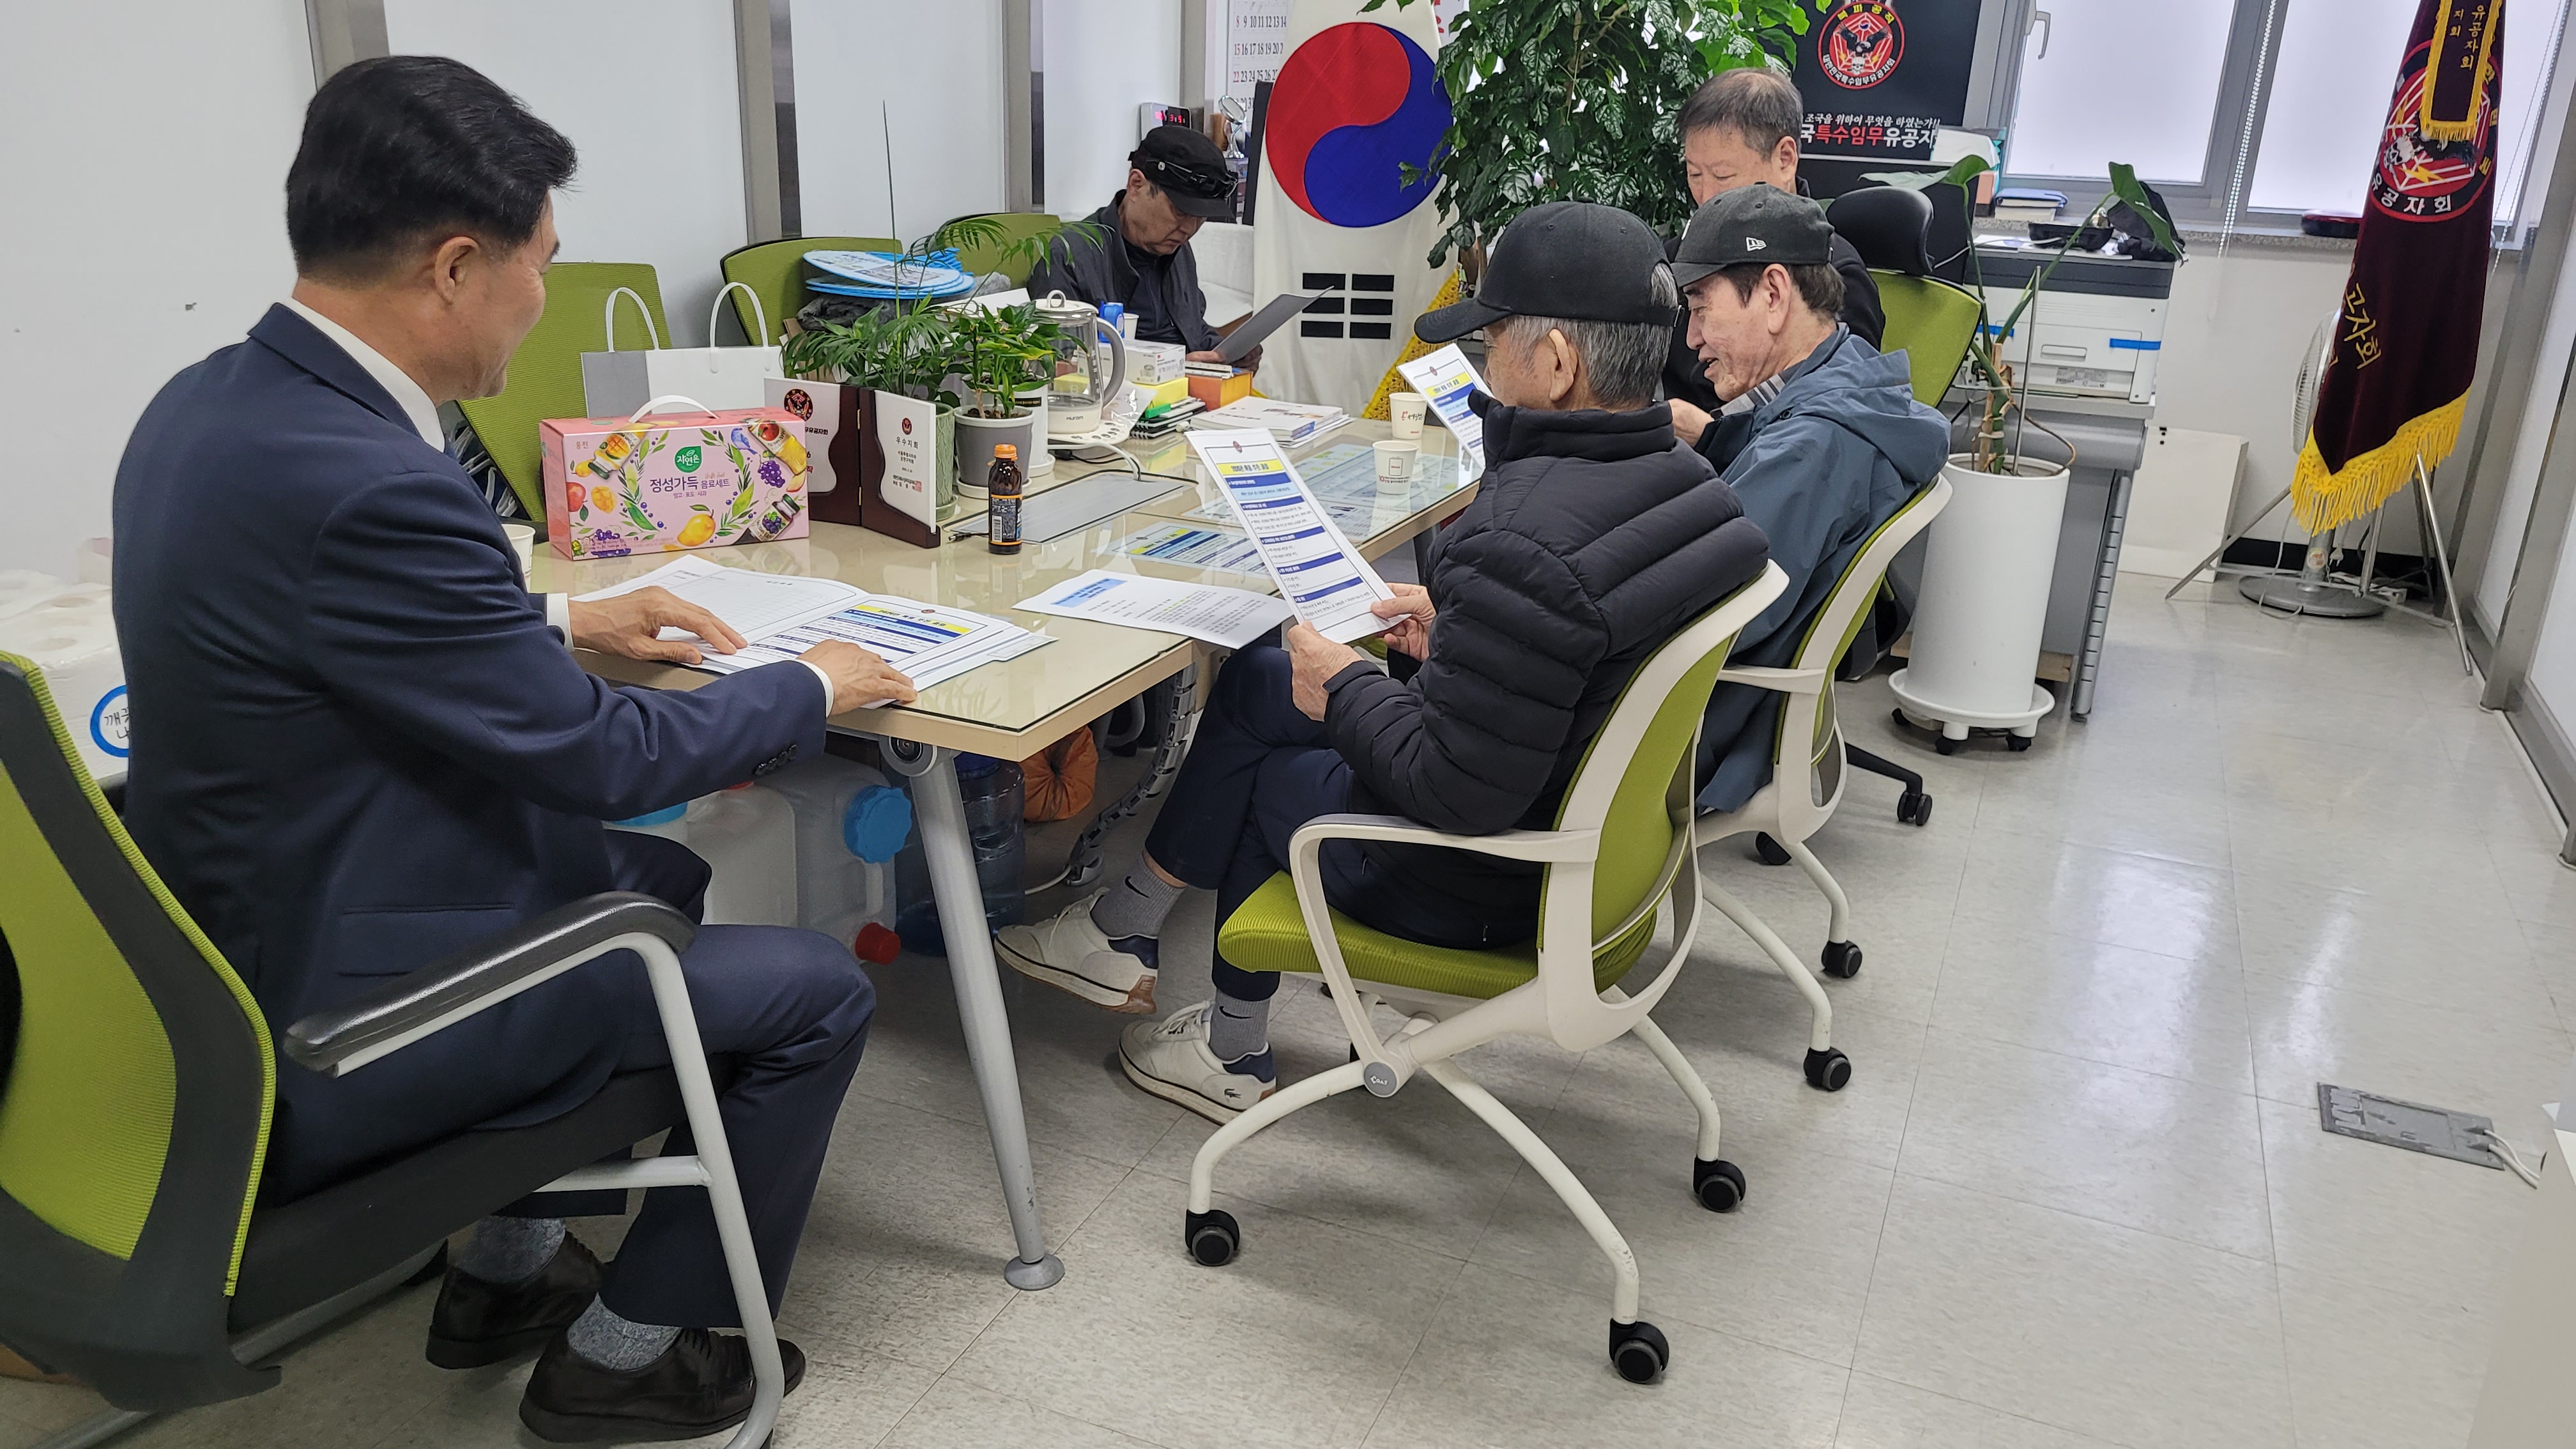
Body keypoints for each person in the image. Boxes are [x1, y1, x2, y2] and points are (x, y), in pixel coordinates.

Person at [111, 57, 919, 1444]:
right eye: (539, 265)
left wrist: (560, 615)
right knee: (810, 994)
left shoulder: (209, 405)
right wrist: (809, 682)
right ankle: (635, 1356)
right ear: (454, 266)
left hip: (225, 945)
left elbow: (319, 615)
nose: (542, 296)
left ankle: (506, 1270)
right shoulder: (373, 482)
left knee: (656, 885)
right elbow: (604, 756)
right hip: (340, 1019)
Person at [996, 203, 1770, 1119]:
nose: (1485, 367)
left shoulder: (1519, 535)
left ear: (1559, 363)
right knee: (1261, 679)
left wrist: (1349, 682)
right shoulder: (1692, 487)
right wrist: (1467, 627)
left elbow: (1456, 792)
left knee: (1272, 773)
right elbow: (1590, 639)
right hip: (1601, 845)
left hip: (1487, 874)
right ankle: (1121, 928)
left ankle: (1230, 1049)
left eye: (1495, 343)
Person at [1667, 185, 1947, 814]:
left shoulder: (1808, 452)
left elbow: (1696, 623)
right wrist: (1713, 439)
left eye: (1701, 308)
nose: (1692, 338)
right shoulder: (1854, 377)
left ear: (1773, 294)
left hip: (1691, 736)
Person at [1662, 67, 1885, 426]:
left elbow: (1838, 419)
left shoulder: (1835, 276)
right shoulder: (1674, 258)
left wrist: (1713, 436)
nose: (1706, 195)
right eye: (1694, 174)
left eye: (1722, 176)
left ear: (1785, 158)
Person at [1025, 125, 1260, 371]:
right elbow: (1059, 366)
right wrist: (1173, 370)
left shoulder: (1178, 251)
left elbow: (1192, 331)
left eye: (1200, 218)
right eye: (1180, 212)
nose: (1189, 229)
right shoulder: (1069, 257)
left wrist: (1223, 352)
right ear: (1136, 185)